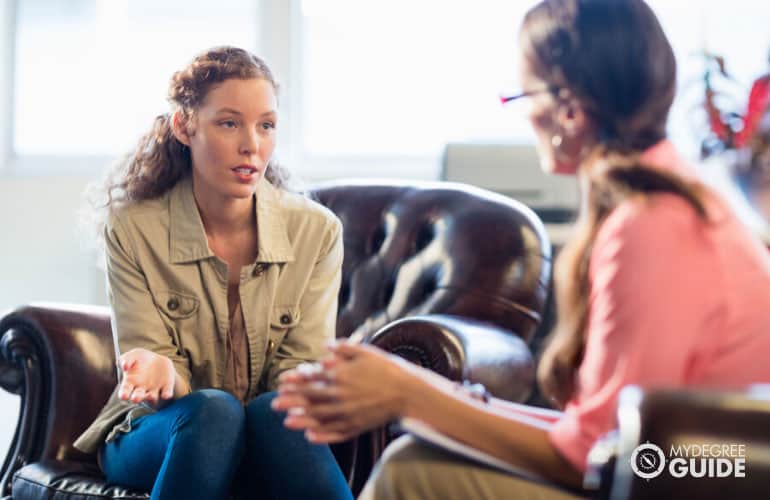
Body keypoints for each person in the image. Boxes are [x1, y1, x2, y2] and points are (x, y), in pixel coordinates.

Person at [272, 1, 770, 498]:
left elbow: (600, 453)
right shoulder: (674, 197)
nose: (523, 112)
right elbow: (600, 432)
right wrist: (433, 398)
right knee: (421, 453)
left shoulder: (652, 225)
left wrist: (408, 394)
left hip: (702, 481)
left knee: (412, 469)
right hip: (687, 468)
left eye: (522, 94)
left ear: (570, 111)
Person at [74, 46, 353, 500]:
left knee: (275, 414)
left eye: (266, 125)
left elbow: (301, 371)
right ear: (185, 125)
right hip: (159, 430)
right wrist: (162, 372)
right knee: (215, 413)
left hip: (269, 432)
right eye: (229, 123)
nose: (252, 145)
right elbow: (151, 355)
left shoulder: (317, 232)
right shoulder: (133, 229)